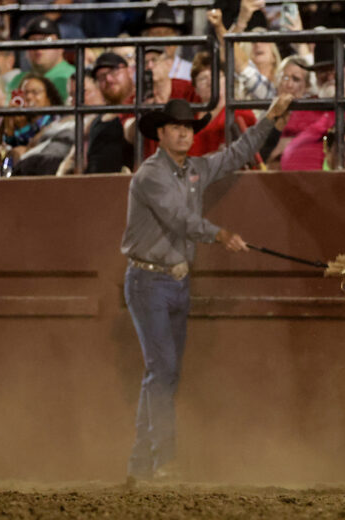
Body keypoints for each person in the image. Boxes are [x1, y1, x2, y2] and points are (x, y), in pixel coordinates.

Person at [122, 92, 293, 483]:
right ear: (161, 134)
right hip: (150, 280)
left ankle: (141, 463)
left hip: (172, 279)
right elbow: (180, 218)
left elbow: (235, 153)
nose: (184, 134)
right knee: (163, 372)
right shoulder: (151, 174)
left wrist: (269, 118)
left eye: (188, 128)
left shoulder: (193, 169)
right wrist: (220, 235)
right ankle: (162, 461)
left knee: (162, 373)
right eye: (176, 128)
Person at [187, 51, 259, 157]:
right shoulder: (189, 119)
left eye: (217, 76)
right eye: (203, 78)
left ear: (226, 80)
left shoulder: (241, 113)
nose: (211, 82)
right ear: (195, 89)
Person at [85, 52, 136, 173]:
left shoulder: (141, 107)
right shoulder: (95, 120)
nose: (108, 79)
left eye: (113, 72)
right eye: (101, 77)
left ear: (129, 71)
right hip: (90, 185)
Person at [7, 17, 75, 101]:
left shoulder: (72, 76)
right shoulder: (18, 79)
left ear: (61, 46)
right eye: (32, 41)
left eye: (46, 40)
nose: (38, 47)